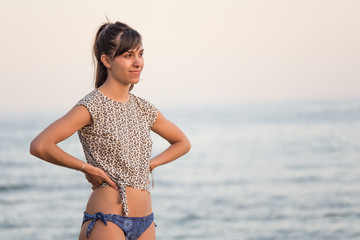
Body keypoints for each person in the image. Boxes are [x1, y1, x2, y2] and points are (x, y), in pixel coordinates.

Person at [29, 21, 191, 240]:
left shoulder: (143, 108)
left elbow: (183, 143)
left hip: (146, 222)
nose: (137, 62)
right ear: (106, 60)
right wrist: (87, 168)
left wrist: (150, 164)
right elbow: (40, 145)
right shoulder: (92, 105)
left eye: (140, 54)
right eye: (127, 55)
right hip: (107, 220)